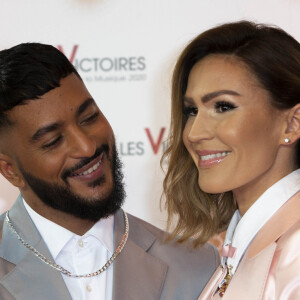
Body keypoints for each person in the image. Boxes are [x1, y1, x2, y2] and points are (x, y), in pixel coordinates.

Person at [0, 43, 219, 300]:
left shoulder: (197, 266)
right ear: (10, 170)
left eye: (89, 118)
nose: (87, 146)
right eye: (52, 141)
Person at [162, 20, 300, 300]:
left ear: (292, 123)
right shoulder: (232, 245)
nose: (194, 133)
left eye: (223, 107)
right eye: (191, 110)